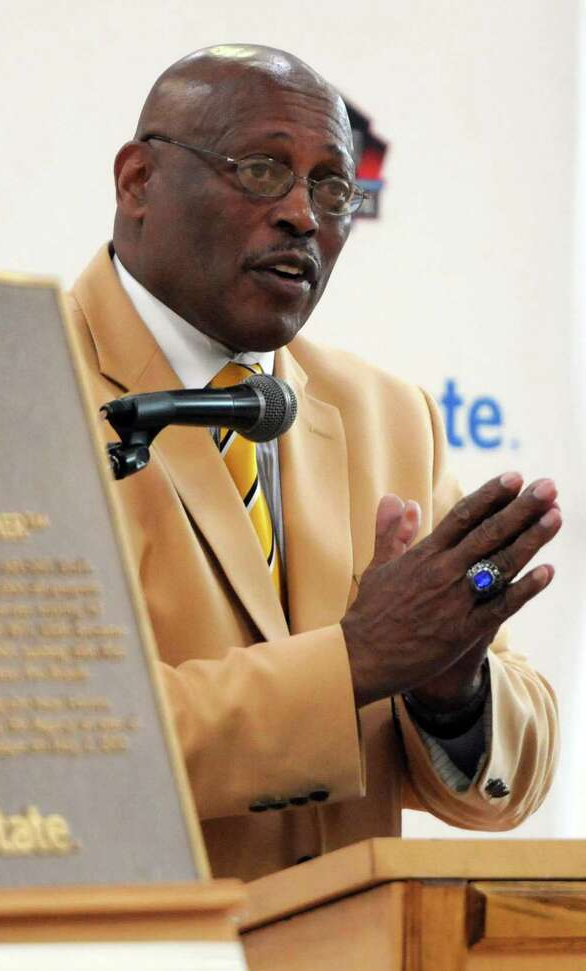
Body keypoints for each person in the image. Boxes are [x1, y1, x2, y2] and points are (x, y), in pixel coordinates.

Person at [68, 45, 560, 880]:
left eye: (332, 186)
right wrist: (357, 661)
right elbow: (51, 735)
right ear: (138, 182)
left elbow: (513, 776)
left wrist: (454, 694)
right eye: (261, 169)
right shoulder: (19, 385)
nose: (302, 212)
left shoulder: (389, 413)